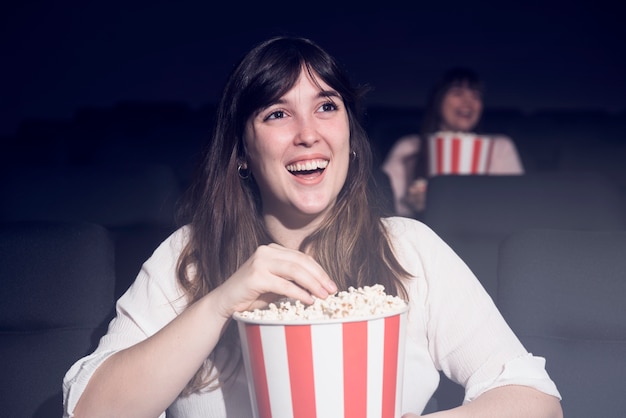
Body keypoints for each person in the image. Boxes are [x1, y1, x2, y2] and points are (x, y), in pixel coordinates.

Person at [62, 36, 561, 417]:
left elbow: (534, 398)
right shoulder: (187, 257)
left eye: (327, 107)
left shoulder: (409, 250)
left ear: (348, 131)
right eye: (278, 113)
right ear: (241, 152)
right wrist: (219, 303)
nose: (308, 134)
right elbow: (88, 410)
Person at [382, 67, 524, 217]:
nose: (468, 102)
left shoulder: (500, 146)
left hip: (485, 231)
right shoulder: (409, 146)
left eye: (476, 96)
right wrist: (412, 204)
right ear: (438, 100)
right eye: (457, 93)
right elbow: (382, 204)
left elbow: (517, 203)